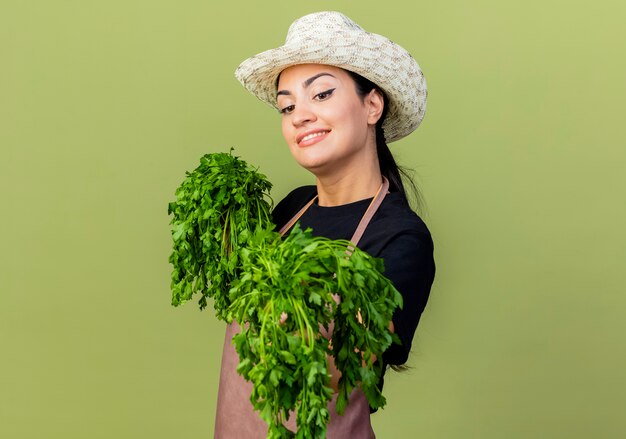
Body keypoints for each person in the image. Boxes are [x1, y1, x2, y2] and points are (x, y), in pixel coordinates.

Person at [214, 11, 435, 438]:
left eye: (321, 95)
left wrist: (285, 303)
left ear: (372, 105)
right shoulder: (289, 209)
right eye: (287, 105)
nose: (299, 116)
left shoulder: (400, 238)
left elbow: (341, 372)